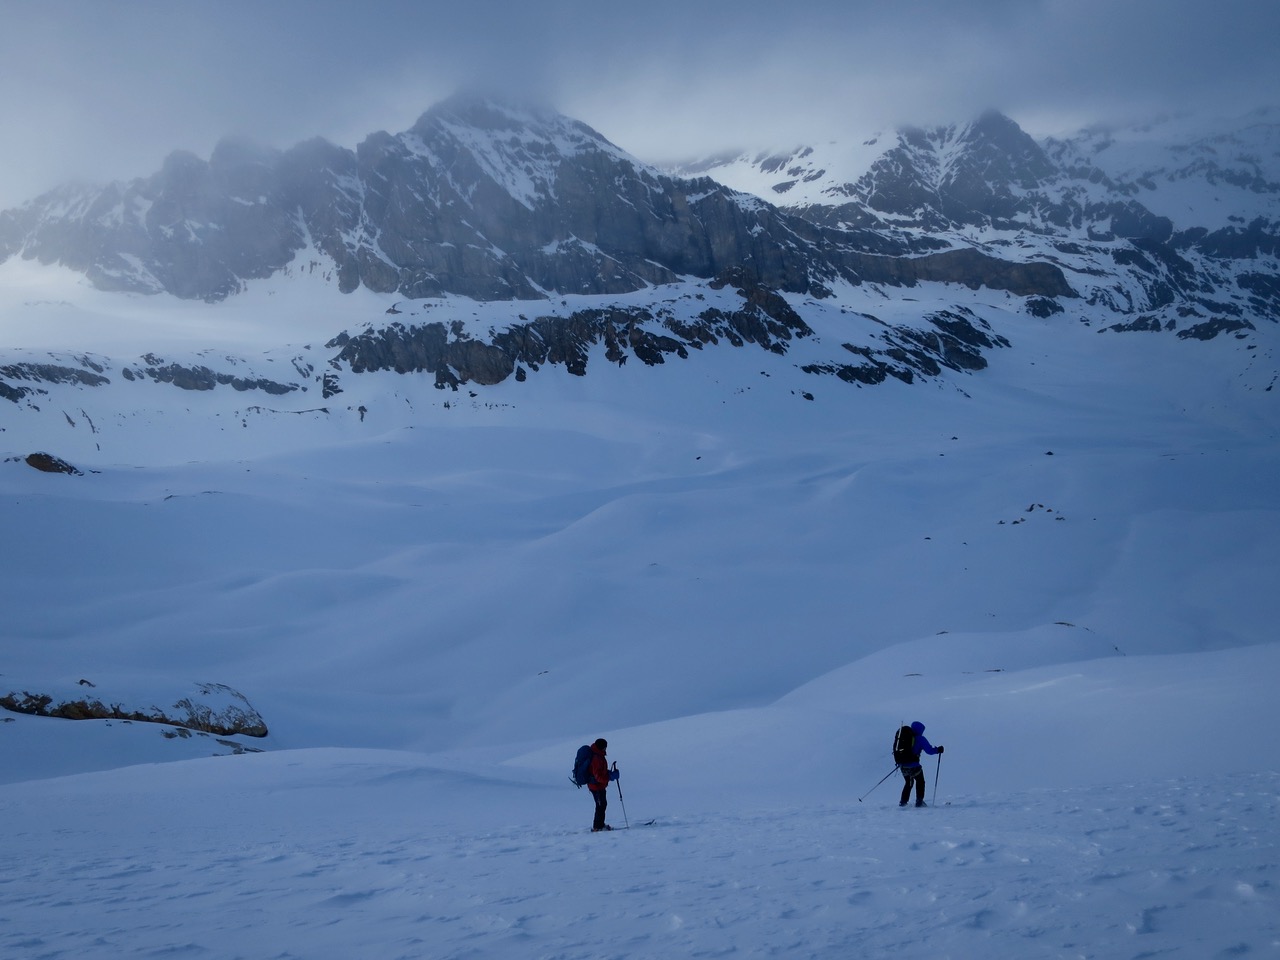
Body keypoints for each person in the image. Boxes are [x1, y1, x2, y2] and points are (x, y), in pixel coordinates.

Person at [898, 721, 944, 807]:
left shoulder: (904, 738)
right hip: (914, 766)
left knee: (908, 783)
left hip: (903, 765)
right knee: (920, 781)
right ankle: (919, 802)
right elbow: (929, 751)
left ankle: (903, 802)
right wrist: (938, 750)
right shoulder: (920, 739)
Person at [587, 737, 620, 831]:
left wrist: (610, 773)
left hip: (599, 786)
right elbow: (598, 776)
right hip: (596, 786)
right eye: (605, 747)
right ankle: (597, 827)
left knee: (602, 805)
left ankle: (599, 825)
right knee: (600, 805)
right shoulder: (596, 758)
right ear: (602, 747)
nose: (606, 749)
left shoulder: (599, 755)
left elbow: (601, 772)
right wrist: (610, 777)